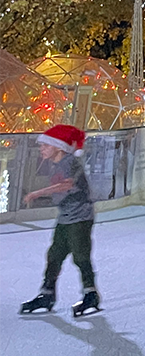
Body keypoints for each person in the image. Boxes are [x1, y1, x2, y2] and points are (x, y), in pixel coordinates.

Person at [19, 125, 101, 317]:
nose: (42, 149)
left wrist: (37, 193)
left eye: (46, 146)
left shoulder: (70, 161)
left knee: (81, 256)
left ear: (58, 147)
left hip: (80, 217)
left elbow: (67, 184)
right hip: (66, 216)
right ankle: (47, 294)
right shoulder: (56, 163)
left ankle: (91, 294)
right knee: (54, 255)